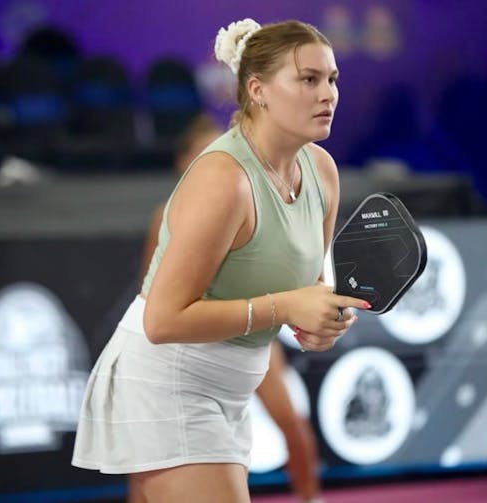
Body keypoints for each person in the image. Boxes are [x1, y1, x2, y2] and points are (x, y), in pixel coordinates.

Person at [72, 18, 370, 503]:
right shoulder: (223, 179)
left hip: (231, 387)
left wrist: (320, 323)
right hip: (169, 381)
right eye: (309, 79)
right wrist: (286, 307)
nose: (328, 94)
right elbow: (162, 321)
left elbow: (307, 291)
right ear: (258, 90)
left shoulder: (322, 171)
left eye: (332, 79)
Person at [133, 112, 324, 503]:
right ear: (183, 162)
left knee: (289, 420)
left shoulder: (250, 202)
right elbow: (151, 295)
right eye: (201, 153)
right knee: (150, 449)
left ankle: (311, 498)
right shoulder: (165, 216)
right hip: (189, 343)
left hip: (248, 333)